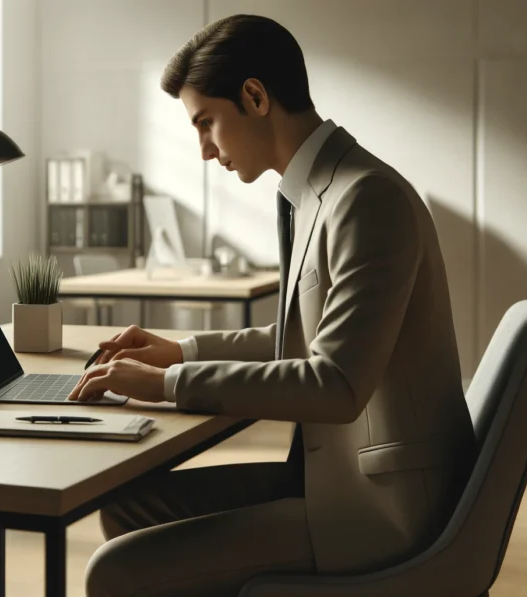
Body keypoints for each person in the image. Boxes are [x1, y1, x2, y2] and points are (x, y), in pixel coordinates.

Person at [69, 14, 477, 597]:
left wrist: (168, 383)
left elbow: (335, 383)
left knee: (113, 571)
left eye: (206, 123)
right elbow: (300, 336)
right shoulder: (320, 191)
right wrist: (178, 349)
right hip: (332, 478)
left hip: (384, 507)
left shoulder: (366, 198)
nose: (205, 151)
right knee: (133, 508)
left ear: (255, 96)